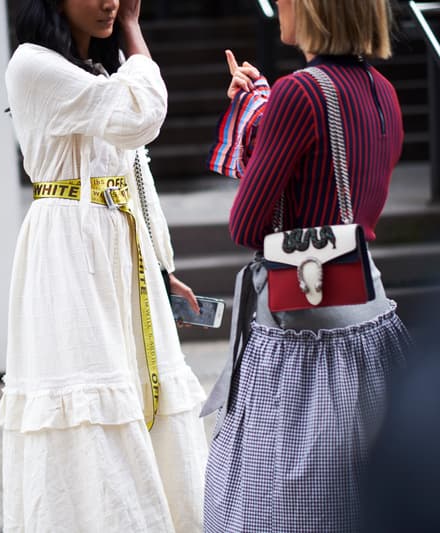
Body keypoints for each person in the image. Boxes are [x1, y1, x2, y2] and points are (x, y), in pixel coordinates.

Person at [0, 0, 209, 531]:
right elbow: (143, 116)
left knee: (141, 390)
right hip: (70, 247)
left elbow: (135, 176)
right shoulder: (32, 65)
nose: (113, 2)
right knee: (89, 392)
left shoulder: (102, 75)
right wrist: (136, 29)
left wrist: (160, 266)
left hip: (122, 248)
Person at [201, 1, 412, 531]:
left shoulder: (299, 92)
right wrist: (267, 120)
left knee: (282, 507)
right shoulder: (383, 92)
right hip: (369, 317)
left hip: (302, 332)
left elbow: (249, 226)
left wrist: (261, 122)